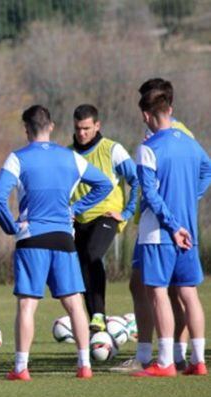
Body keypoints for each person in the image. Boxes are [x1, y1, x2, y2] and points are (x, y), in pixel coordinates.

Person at [0, 105, 112, 381]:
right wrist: (75, 209)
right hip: (63, 238)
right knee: (74, 304)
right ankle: (85, 365)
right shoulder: (70, 157)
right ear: (52, 126)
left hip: (31, 239)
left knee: (27, 305)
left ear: (26, 129)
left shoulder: (17, 158)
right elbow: (104, 184)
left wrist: (11, 227)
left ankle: (21, 368)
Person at [114, 78, 196, 373]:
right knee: (143, 285)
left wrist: (186, 198)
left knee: (171, 290)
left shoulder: (176, 133)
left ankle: (174, 355)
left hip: (167, 224)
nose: (143, 116)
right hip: (154, 221)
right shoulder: (153, 133)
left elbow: (200, 171)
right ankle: (150, 354)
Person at [131, 89, 210, 377]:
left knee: (158, 293)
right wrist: (191, 197)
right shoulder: (190, 143)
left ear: (147, 115)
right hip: (189, 229)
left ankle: (164, 362)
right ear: (170, 110)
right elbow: (207, 170)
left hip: (160, 234)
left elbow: (150, 194)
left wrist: (171, 225)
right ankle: (198, 361)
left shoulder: (149, 147)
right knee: (189, 293)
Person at [69, 104, 138, 331]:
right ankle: (96, 323)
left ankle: (99, 314)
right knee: (82, 266)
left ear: (97, 126)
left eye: (87, 128)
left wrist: (127, 212)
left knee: (92, 253)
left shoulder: (112, 149)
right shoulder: (68, 154)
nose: (82, 133)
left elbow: (136, 180)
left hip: (107, 215)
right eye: (78, 128)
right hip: (79, 219)